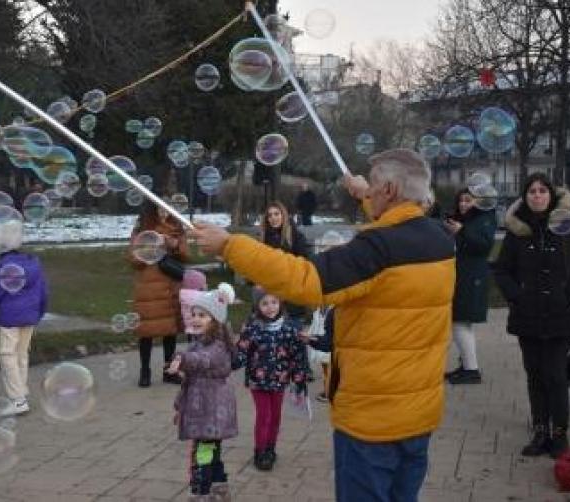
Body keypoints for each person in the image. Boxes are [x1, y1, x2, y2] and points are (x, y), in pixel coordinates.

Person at [191, 149, 455, 502]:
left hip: (371, 421)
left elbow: (307, 279)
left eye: (375, 186)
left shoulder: (377, 249)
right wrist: (365, 194)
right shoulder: (438, 239)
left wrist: (230, 246)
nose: (370, 190)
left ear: (390, 190)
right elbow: (396, 231)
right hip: (418, 414)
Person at [495, 174, 570, 459]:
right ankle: (540, 431)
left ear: (551, 195)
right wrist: (516, 296)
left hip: (560, 315)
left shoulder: (567, 226)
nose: (537, 195)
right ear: (525, 197)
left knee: (555, 376)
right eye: (531, 191)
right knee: (534, 376)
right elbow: (502, 269)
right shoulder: (517, 232)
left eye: (542, 190)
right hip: (528, 316)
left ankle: (559, 434)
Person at [166, 283, 237, 501]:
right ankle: (219, 486)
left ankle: (201, 493)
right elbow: (189, 381)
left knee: (202, 456)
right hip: (202, 412)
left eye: (202, 315)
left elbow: (203, 361)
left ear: (215, 321)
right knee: (210, 452)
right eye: (194, 314)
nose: (195, 319)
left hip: (212, 413)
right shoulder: (198, 344)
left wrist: (183, 359)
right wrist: (180, 406)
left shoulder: (217, 346)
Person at [0, 225, 48, 416]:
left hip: (10, 318)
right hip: (30, 316)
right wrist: (39, 313)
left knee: (7, 355)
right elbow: (44, 292)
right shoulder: (33, 264)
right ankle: (22, 395)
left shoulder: (3, 268)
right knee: (21, 354)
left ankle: (18, 400)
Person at [233, 287, 310, 471]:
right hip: (258, 381)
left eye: (274, 302)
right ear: (257, 306)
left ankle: (270, 449)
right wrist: (226, 363)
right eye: (264, 303)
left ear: (280, 303)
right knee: (264, 415)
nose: (270, 307)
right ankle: (260, 451)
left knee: (275, 416)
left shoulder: (290, 328)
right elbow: (241, 353)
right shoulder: (253, 328)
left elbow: (298, 355)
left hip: (280, 380)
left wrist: (299, 379)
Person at [129, 199, 188, 387]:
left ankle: (169, 370)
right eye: (159, 206)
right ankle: (144, 371)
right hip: (148, 285)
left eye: (167, 206)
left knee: (169, 330)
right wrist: (150, 247)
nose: (164, 211)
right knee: (146, 330)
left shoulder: (176, 227)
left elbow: (186, 255)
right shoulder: (142, 228)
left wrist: (173, 244)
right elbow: (133, 258)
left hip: (169, 284)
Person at [443, 188, 497, 385]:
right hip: (465, 277)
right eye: (461, 201)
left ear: (478, 201)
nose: (463, 204)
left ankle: (472, 370)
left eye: (468, 200)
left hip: (472, 278)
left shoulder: (484, 218)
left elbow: (483, 245)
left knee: (459, 322)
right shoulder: (471, 220)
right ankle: (466, 365)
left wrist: (461, 231)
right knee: (463, 323)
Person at [260, 201, 310, 328]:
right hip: (272, 288)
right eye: (270, 216)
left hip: (292, 286)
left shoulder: (296, 237)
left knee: (293, 330)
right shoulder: (264, 239)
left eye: (276, 214)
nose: (273, 218)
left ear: (284, 215)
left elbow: (304, 262)